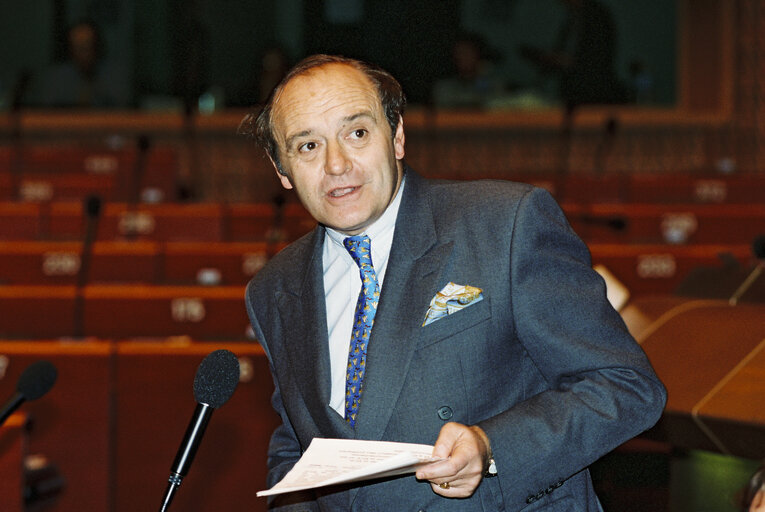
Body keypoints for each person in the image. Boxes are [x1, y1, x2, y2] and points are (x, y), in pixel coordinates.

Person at [240, 54, 666, 511]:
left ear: (397, 136)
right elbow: (298, 450)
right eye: (308, 146)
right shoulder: (273, 289)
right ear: (281, 167)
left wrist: (491, 447)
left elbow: (625, 385)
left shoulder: (506, 224)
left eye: (357, 133)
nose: (337, 164)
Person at [33, 20, 130, 108]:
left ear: (97, 47)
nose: (83, 53)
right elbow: (47, 110)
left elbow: (121, 108)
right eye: (78, 47)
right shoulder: (55, 78)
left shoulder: (115, 76)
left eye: (88, 46)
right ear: (70, 49)